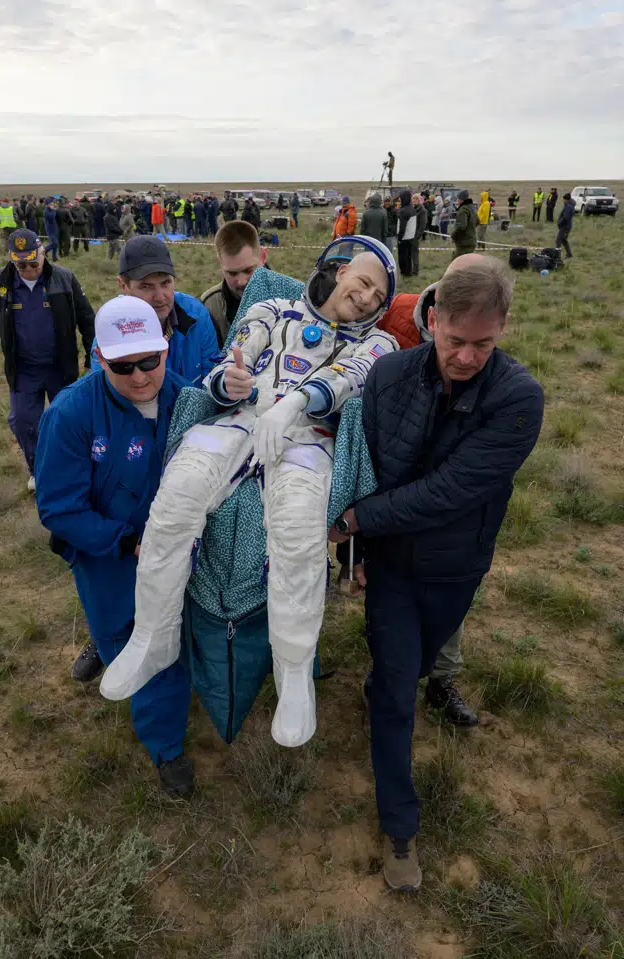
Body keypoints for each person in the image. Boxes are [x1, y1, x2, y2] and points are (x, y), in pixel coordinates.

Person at [100, 237, 401, 750]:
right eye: (364, 281)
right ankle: (155, 635)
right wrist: (230, 383)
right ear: (340, 268)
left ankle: (294, 672)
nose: (369, 298)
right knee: (175, 502)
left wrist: (295, 405)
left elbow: (350, 378)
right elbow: (231, 360)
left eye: (379, 295)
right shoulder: (271, 308)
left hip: (309, 437)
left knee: (298, 534)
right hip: (241, 421)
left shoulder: (379, 344)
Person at [338, 258, 543, 892]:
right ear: (432, 321)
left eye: (484, 343)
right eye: (455, 340)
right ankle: (400, 829)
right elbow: (365, 463)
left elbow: (451, 491)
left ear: (503, 327)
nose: (466, 356)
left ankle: (389, 688)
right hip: (394, 568)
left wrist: (358, 517)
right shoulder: (389, 376)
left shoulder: (517, 398)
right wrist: (359, 553)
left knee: (420, 664)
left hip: (456, 569)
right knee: (399, 687)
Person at [34, 297, 195, 795]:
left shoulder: (185, 398)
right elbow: (60, 508)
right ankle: (166, 745)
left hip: (177, 549)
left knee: (176, 636)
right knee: (131, 639)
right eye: (124, 367)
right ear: (99, 357)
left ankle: (171, 710)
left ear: (165, 349)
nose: (141, 377)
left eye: (150, 360)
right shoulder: (71, 413)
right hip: (109, 558)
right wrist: (127, 541)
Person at [0, 229, 97, 490]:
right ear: (12, 260)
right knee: (23, 421)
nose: (28, 269)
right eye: (21, 264)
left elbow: (87, 320)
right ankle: (37, 469)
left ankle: (74, 466)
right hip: (23, 370)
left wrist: (91, 357)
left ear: (43, 254)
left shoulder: (64, 279)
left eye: (33, 263)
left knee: (69, 420)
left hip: (60, 367)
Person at [116, 235, 222, 384]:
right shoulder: (110, 330)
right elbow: (107, 400)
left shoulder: (197, 315)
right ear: (123, 286)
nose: (160, 297)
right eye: (146, 286)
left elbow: (212, 378)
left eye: (166, 283)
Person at [201, 220, 268, 344]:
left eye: (248, 270)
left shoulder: (294, 296)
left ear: (263, 256)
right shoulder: (209, 306)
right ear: (220, 263)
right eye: (232, 273)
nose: (241, 282)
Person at [396, 191, 422, 278]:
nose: (399, 199)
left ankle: (405, 273)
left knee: (402, 256)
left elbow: (402, 227)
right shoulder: (411, 208)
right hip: (411, 236)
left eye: (400, 197)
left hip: (404, 237)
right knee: (408, 256)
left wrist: (399, 238)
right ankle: (409, 272)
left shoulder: (404, 211)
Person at [450, 190, 477, 258]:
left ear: (462, 200)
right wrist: (470, 229)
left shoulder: (462, 210)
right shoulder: (471, 208)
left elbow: (461, 227)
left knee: (456, 264)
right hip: (471, 240)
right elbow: (478, 221)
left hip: (464, 243)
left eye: (458, 199)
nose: (457, 200)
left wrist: (453, 236)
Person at [555, 193, 576, 259]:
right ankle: (569, 254)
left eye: (564, 199)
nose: (563, 201)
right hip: (567, 226)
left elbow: (565, 217)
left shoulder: (568, 207)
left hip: (565, 227)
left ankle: (558, 257)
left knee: (558, 241)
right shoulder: (569, 206)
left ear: (566, 200)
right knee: (564, 240)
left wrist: (559, 222)